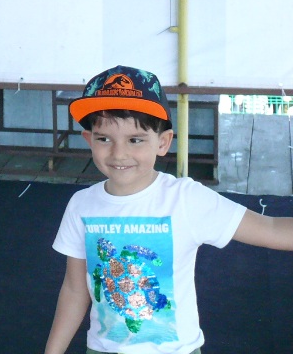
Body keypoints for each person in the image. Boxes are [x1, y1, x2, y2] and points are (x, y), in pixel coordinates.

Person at [44, 64, 293, 354]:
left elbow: (271, 228)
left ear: (163, 143)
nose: (119, 153)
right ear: (89, 140)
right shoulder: (81, 205)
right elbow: (75, 289)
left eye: (135, 139)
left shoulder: (186, 199)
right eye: (104, 139)